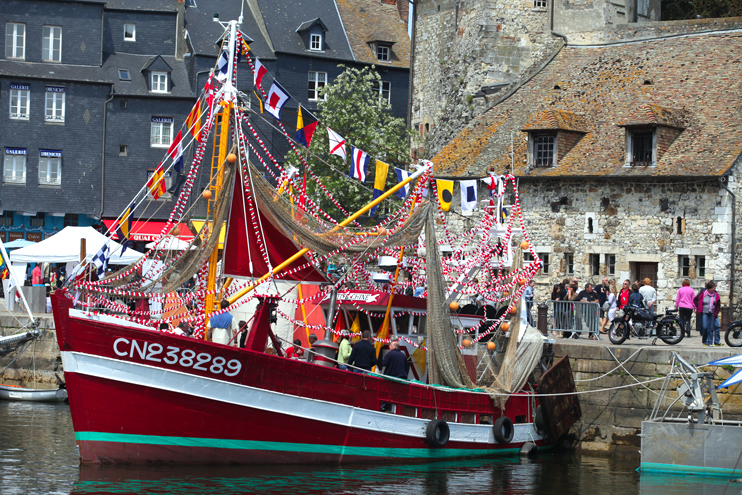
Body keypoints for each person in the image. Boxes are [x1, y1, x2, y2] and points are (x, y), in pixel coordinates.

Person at [696, 281, 721, 347]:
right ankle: (705, 340)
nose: (714, 289)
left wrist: (717, 311)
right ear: (709, 288)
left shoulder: (716, 294)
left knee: (711, 328)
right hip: (705, 312)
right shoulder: (703, 293)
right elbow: (695, 299)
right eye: (713, 288)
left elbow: (718, 303)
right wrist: (698, 308)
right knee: (705, 326)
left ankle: (710, 342)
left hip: (712, 312)